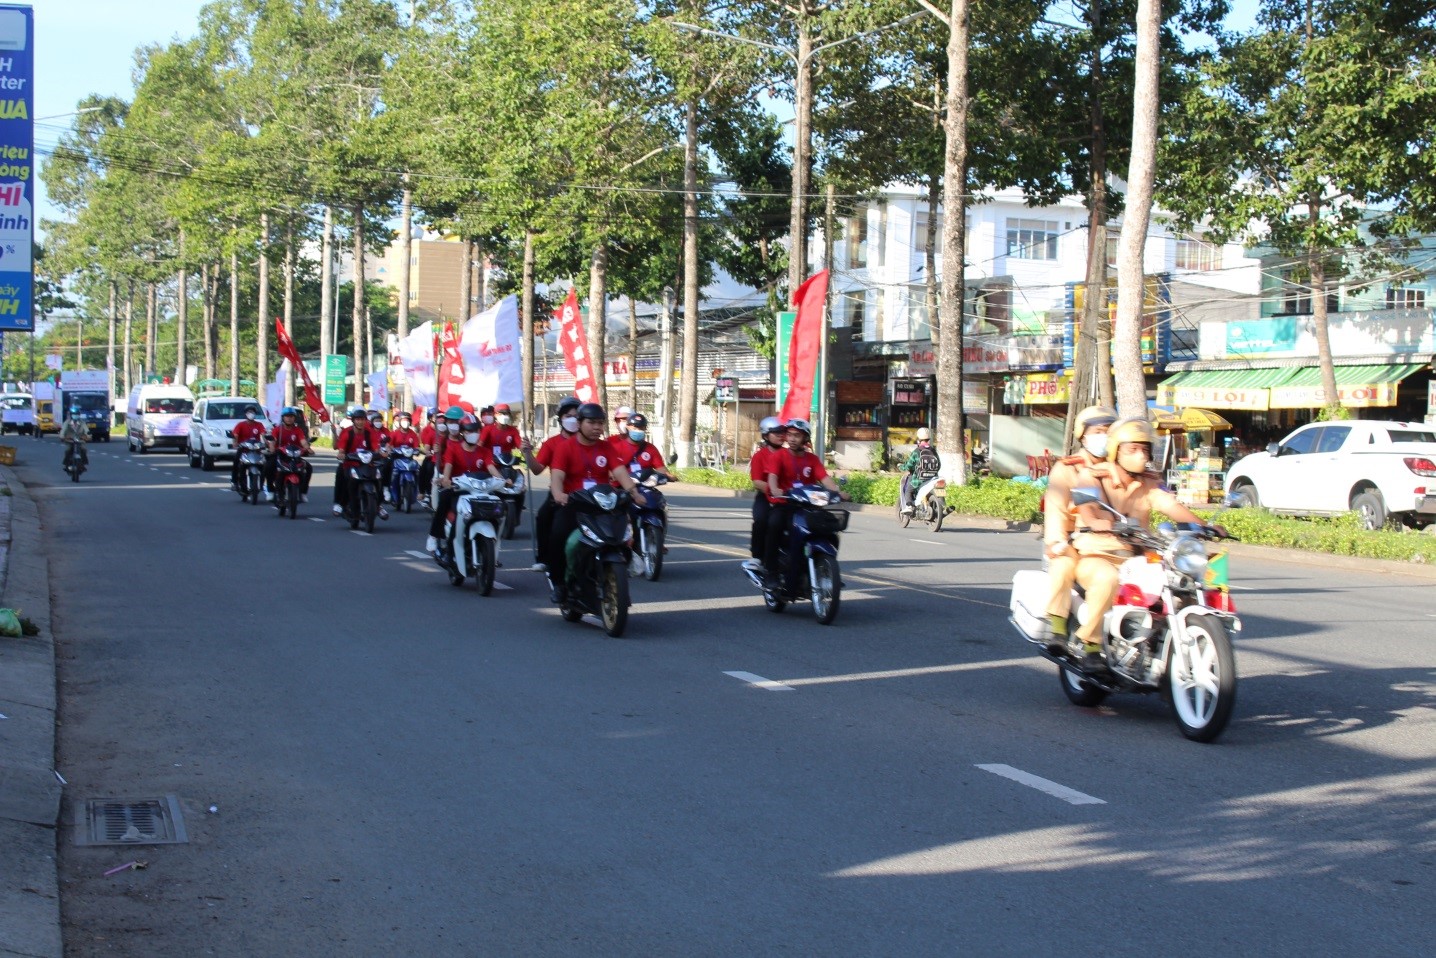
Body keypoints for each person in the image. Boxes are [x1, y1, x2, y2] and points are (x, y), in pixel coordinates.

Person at [1063, 417, 1219, 671]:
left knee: (1178, 582)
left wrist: (1202, 525)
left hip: (1137, 557)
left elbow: (1169, 505)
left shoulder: (1148, 483)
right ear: (1116, 451)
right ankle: (1088, 644)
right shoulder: (1091, 477)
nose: (1141, 455)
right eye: (1132, 449)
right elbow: (1088, 509)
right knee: (1106, 579)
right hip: (1099, 554)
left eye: (1145, 449)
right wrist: (1098, 521)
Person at [546, 402, 647, 600]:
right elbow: (557, 476)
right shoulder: (565, 447)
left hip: (602, 504)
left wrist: (634, 493)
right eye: (591, 422)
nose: (597, 428)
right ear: (580, 423)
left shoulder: (606, 447)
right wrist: (559, 494)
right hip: (574, 504)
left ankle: (622, 564)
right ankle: (558, 583)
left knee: (625, 530)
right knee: (558, 535)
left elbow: (620, 473)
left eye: (600, 423)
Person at [1042, 406, 1117, 653]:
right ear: (1083, 436)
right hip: (1076, 540)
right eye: (1098, 431)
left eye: (1109, 431)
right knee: (1063, 565)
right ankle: (1059, 629)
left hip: (1115, 542)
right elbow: (1056, 509)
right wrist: (1056, 541)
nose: (1104, 437)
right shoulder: (1067, 468)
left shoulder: (1120, 468)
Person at [762, 418, 850, 584]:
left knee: (831, 531)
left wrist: (839, 492)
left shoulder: (812, 459)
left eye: (797, 435)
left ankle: (824, 568)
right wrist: (775, 489)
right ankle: (771, 571)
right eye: (789, 435)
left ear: (805, 439)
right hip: (785, 505)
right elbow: (772, 477)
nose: (792, 439)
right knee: (774, 526)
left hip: (808, 507)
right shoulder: (779, 456)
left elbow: (825, 479)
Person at [425, 414, 510, 560]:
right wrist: (446, 479)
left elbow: (491, 469)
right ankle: (436, 538)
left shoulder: (484, 452)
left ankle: (494, 544)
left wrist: (503, 480)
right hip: (459, 490)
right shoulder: (454, 449)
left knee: (500, 506)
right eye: (470, 431)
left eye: (477, 431)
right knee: (445, 500)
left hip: (480, 490)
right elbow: (448, 467)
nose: (474, 434)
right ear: (463, 433)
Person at [527, 396, 580, 574]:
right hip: (560, 494)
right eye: (568, 416)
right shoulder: (552, 443)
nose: (572, 419)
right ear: (560, 419)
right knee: (543, 517)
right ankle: (544, 559)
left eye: (576, 416)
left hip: (586, 494)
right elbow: (537, 469)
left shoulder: (591, 443)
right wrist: (527, 454)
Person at [743, 416, 788, 573]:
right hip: (766, 496)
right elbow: (757, 482)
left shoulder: (789, 454)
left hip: (788, 498)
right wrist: (774, 489)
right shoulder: (759, 456)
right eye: (776, 433)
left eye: (782, 432)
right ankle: (757, 557)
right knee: (761, 520)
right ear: (766, 435)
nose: (781, 435)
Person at [332, 405, 387, 520]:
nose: (360, 422)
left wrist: (381, 453)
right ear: (353, 421)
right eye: (358, 419)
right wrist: (342, 454)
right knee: (344, 479)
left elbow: (376, 448)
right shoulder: (347, 433)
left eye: (362, 419)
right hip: (350, 464)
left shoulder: (369, 432)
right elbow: (341, 449)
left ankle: (378, 505)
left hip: (367, 464)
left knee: (379, 479)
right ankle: (340, 503)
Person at [265, 406, 313, 502]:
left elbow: (303, 441)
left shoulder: (298, 430)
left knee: (308, 468)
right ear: (283, 417)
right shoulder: (278, 429)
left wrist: (308, 448)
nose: (289, 418)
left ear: (294, 418)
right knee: (268, 466)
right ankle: (270, 490)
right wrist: (272, 448)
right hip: (281, 456)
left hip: (295, 457)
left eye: (291, 416)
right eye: (287, 416)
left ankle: (303, 492)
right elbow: (273, 441)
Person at [899, 427, 942, 514]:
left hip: (919, 478)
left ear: (919, 440)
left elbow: (909, 466)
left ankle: (909, 507)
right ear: (928, 439)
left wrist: (901, 467)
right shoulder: (933, 451)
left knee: (908, 490)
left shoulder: (917, 451)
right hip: (933, 478)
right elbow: (939, 465)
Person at [383, 410, 421, 501]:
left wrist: (418, 451)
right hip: (396, 457)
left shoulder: (413, 434)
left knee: (418, 470)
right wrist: (388, 450)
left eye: (407, 420)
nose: (405, 422)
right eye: (403, 420)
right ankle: (386, 488)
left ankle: (419, 491)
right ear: (400, 421)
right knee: (387, 466)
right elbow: (388, 445)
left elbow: (417, 447)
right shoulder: (394, 433)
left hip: (408, 458)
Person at [229, 405, 268, 491]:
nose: (251, 414)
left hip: (256, 450)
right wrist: (235, 442)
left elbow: (263, 434)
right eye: (249, 412)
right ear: (246, 414)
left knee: (265, 464)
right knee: (236, 462)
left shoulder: (259, 425)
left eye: (252, 412)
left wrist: (266, 442)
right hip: (243, 450)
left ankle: (264, 483)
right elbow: (235, 435)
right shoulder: (240, 425)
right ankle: (234, 481)